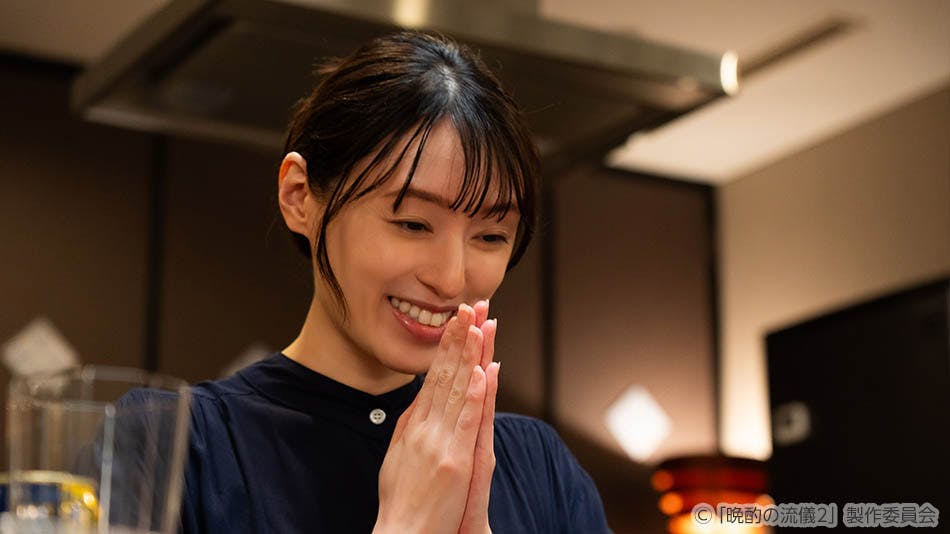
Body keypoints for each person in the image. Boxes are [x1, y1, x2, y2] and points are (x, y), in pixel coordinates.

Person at [178, 31, 610, 533]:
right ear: (299, 196)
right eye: (412, 224)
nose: (450, 279)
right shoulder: (182, 447)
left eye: (491, 236)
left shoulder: (539, 470)